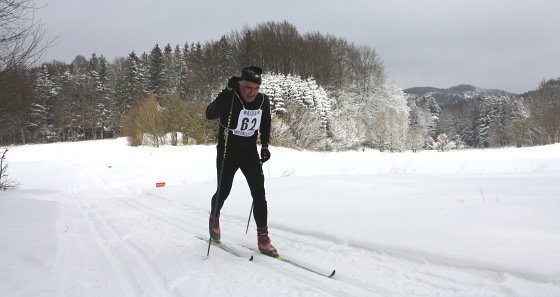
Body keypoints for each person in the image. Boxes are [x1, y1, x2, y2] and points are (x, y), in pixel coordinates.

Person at [205, 66, 277, 256]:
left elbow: (265, 122)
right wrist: (226, 91)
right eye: (248, 88)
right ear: (241, 84)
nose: (252, 92)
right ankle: (214, 217)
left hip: (248, 151)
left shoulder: (262, 100)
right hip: (228, 150)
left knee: (259, 193)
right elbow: (210, 114)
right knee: (224, 190)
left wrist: (265, 145)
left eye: (256, 88)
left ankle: (263, 237)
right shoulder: (230, 96)